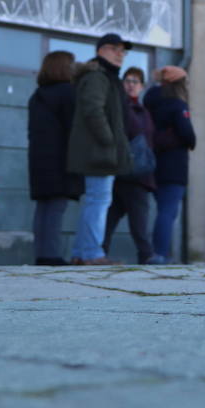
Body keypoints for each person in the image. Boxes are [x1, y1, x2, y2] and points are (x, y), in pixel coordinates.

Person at [67, 33, 133, 266]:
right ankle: (92, 254)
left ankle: (81, 253)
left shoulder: (106, 77)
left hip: (99, 152)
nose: (120, 54)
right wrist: (109, 141)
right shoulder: (98, 77)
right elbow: (93, 110)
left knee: (95, 201)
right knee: (99, 201)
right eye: (114, 49)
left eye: (123, 51)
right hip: (99, 153)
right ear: (100, 50)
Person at [27, 50, 84, 266]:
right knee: (56, 208)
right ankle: (50, 256)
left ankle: (42, 254)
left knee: (43, 208)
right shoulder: (68, 92)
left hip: (39, 160)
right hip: (61, 160)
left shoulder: (38, 95)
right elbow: (74, 129)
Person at [102, 66, 156, 264]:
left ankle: (145, 255)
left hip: (139, 174)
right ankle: (145, 255)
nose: (131, 85)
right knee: (113, 218)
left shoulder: (144, 111)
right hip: (122, 172)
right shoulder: (121, 107)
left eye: (136, 81)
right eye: (128, 81)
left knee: (136, 220)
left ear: (142, 86)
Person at [144, 66, 195, 264]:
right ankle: (160, 254)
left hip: (153, 164)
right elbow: (188, 135)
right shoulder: (177, 105)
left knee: (162, 210)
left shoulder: (150, 102)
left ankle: (160, 252)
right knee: (168, 211)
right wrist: (191, 140)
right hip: (174, 166)